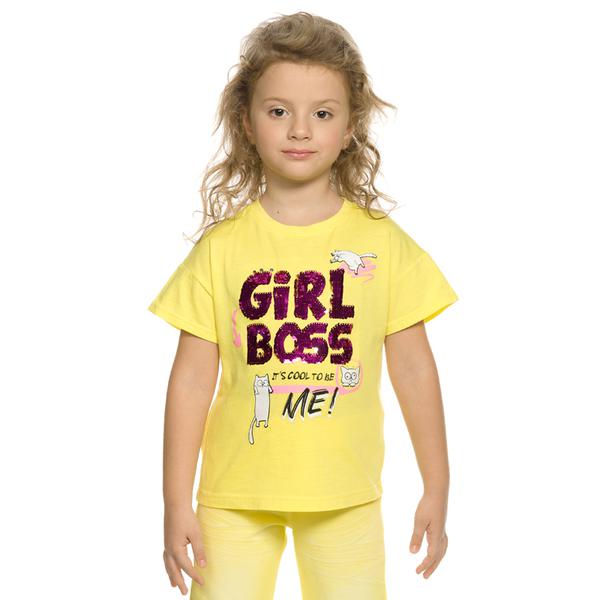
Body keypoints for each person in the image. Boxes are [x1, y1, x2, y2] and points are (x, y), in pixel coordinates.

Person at [147, 11, 458, 600]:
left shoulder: (383, 244)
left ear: (350, 127)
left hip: (345, 494)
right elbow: (189, 382)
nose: (299, 130)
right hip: (233, 496)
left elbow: (415, 369)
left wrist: (437, 483)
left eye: (322, 113)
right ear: (247, 122)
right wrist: (173, 502)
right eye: (277, 111)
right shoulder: (221, 249)